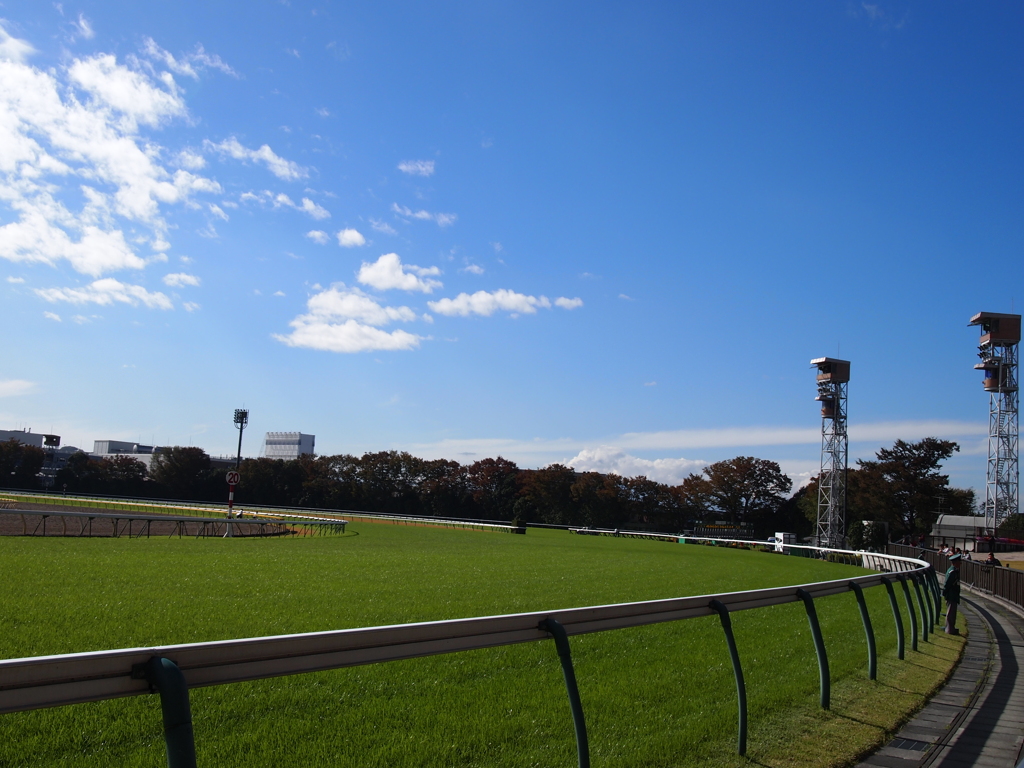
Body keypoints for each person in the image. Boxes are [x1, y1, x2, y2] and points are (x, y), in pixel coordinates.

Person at [943, 553, 962, 635]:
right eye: (959, 561)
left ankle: (950, 628)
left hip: (953, 594)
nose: (960, 563)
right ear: (955, 562)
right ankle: (949, 629)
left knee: (952, 612)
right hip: (952, 594)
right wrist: (945, 593)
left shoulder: (954, 570)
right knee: (951, 613)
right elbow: (948, 584)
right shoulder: (952, 571)